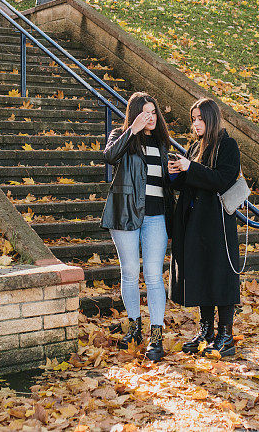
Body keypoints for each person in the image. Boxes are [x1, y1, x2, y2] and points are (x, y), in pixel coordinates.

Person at [101, 92, 175, 362]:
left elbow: (167, 184)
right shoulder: (120, 137)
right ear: (134, 115)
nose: (151, 117)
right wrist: (132, 130)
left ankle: (157, 335)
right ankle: (134, 326)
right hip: (125, 215)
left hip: (156, 218)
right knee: (130, 271)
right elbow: (110, 157)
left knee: (154, 274)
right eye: (145, 113)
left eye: (154, 112)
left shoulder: (162, 143)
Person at [168, 98, 241, 358]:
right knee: (201, 275)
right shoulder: (194, 147)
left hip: (217, 224)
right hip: (194, 223)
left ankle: (226, 335)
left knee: (220, 275)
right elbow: (191, 183)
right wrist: (176, 173)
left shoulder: (227, 145)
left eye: (200, 118)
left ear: (210, 119)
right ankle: (206, 330)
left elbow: (222, 179)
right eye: (193, 119)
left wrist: (192, 168)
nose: (195, 124)